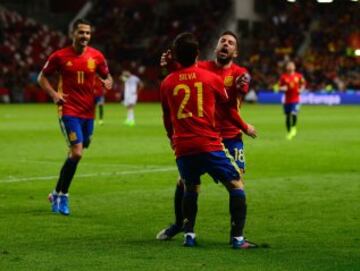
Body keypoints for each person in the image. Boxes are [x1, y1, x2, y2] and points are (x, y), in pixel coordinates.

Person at [157, 31, 257, 249]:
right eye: (223, 41)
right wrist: (172, 66)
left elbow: (241, 91)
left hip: (229, 136)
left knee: (200, 182)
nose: (226, 45)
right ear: (214, 47)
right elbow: (186, 75)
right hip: (208, 136)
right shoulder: (204, 69)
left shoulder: (240, 73)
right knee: (185, 183)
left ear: (235, 51)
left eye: (231, 43)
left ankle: (190, 231)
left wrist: (242, 89)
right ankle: (181, 225)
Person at [37, 18, 113, 215]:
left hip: (88, 113)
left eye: (87, 33)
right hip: (68, 110)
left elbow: (107, 76)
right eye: (81, 32)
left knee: (76, 152)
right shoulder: (60, 56)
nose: (84, 36)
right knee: (77, 152)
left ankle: (55, 192)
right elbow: (41, 77)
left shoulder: (97, 56)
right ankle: (63, 196)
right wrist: (54, 95)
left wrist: (108, 82)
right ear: (73, 34)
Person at [279, 61, 306, 140]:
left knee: (294, 113)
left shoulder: (299, 76)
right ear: (287, 67)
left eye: (292, 65)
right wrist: (283, 88)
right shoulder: (283, 77)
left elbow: (303, 84)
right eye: (289, 65)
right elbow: (279, 87)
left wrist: (301, 89)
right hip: (287, 100)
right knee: (287, 116)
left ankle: (293, 127)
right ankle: (289, 132)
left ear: (294, 67)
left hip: (296, 99)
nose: (290, 67)